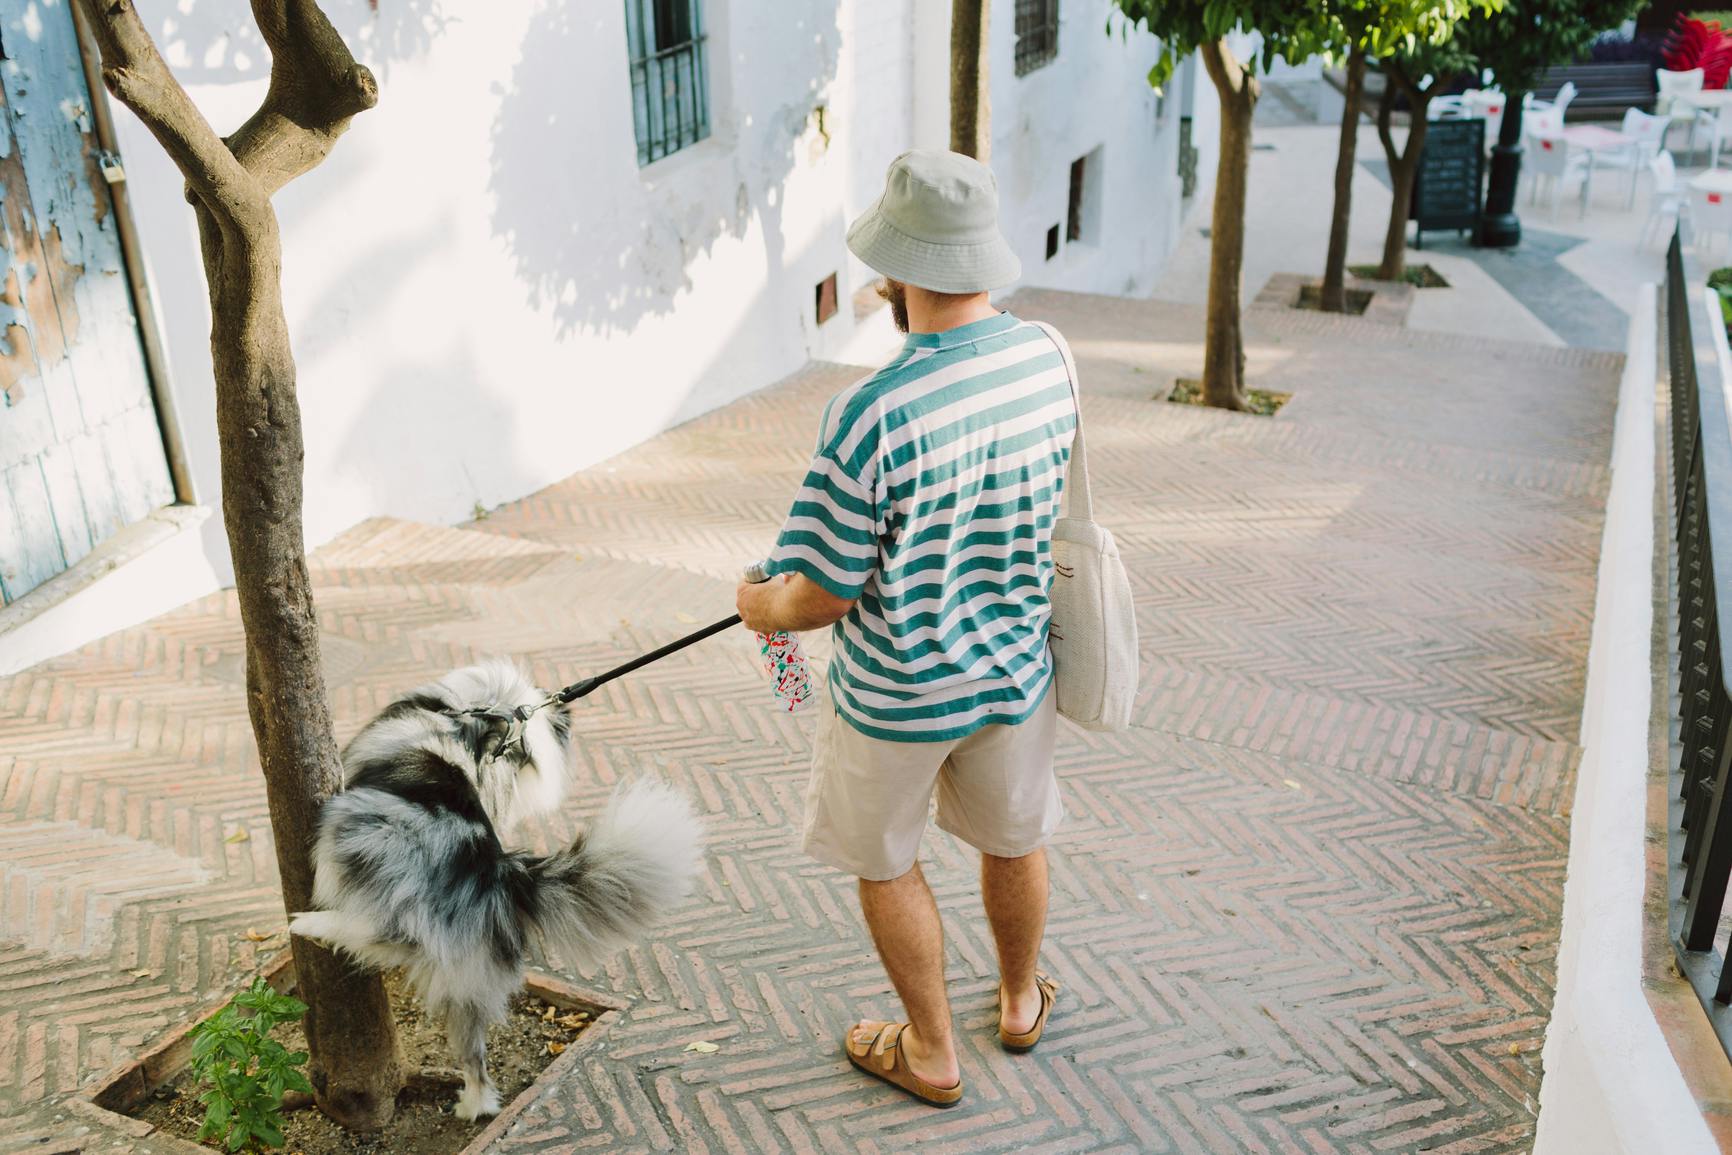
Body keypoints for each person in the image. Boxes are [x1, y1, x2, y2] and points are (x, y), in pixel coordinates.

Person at [735, 149, 1077, 1108]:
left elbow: (820, 595)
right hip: (1013, 670)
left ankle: (930, 1051)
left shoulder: (870, 413)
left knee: (887, 861)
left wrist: (757, 605)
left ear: (899, 273)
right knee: (1014, 840)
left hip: (896, 695)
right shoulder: (1049, 359)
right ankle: (1017, 1002)